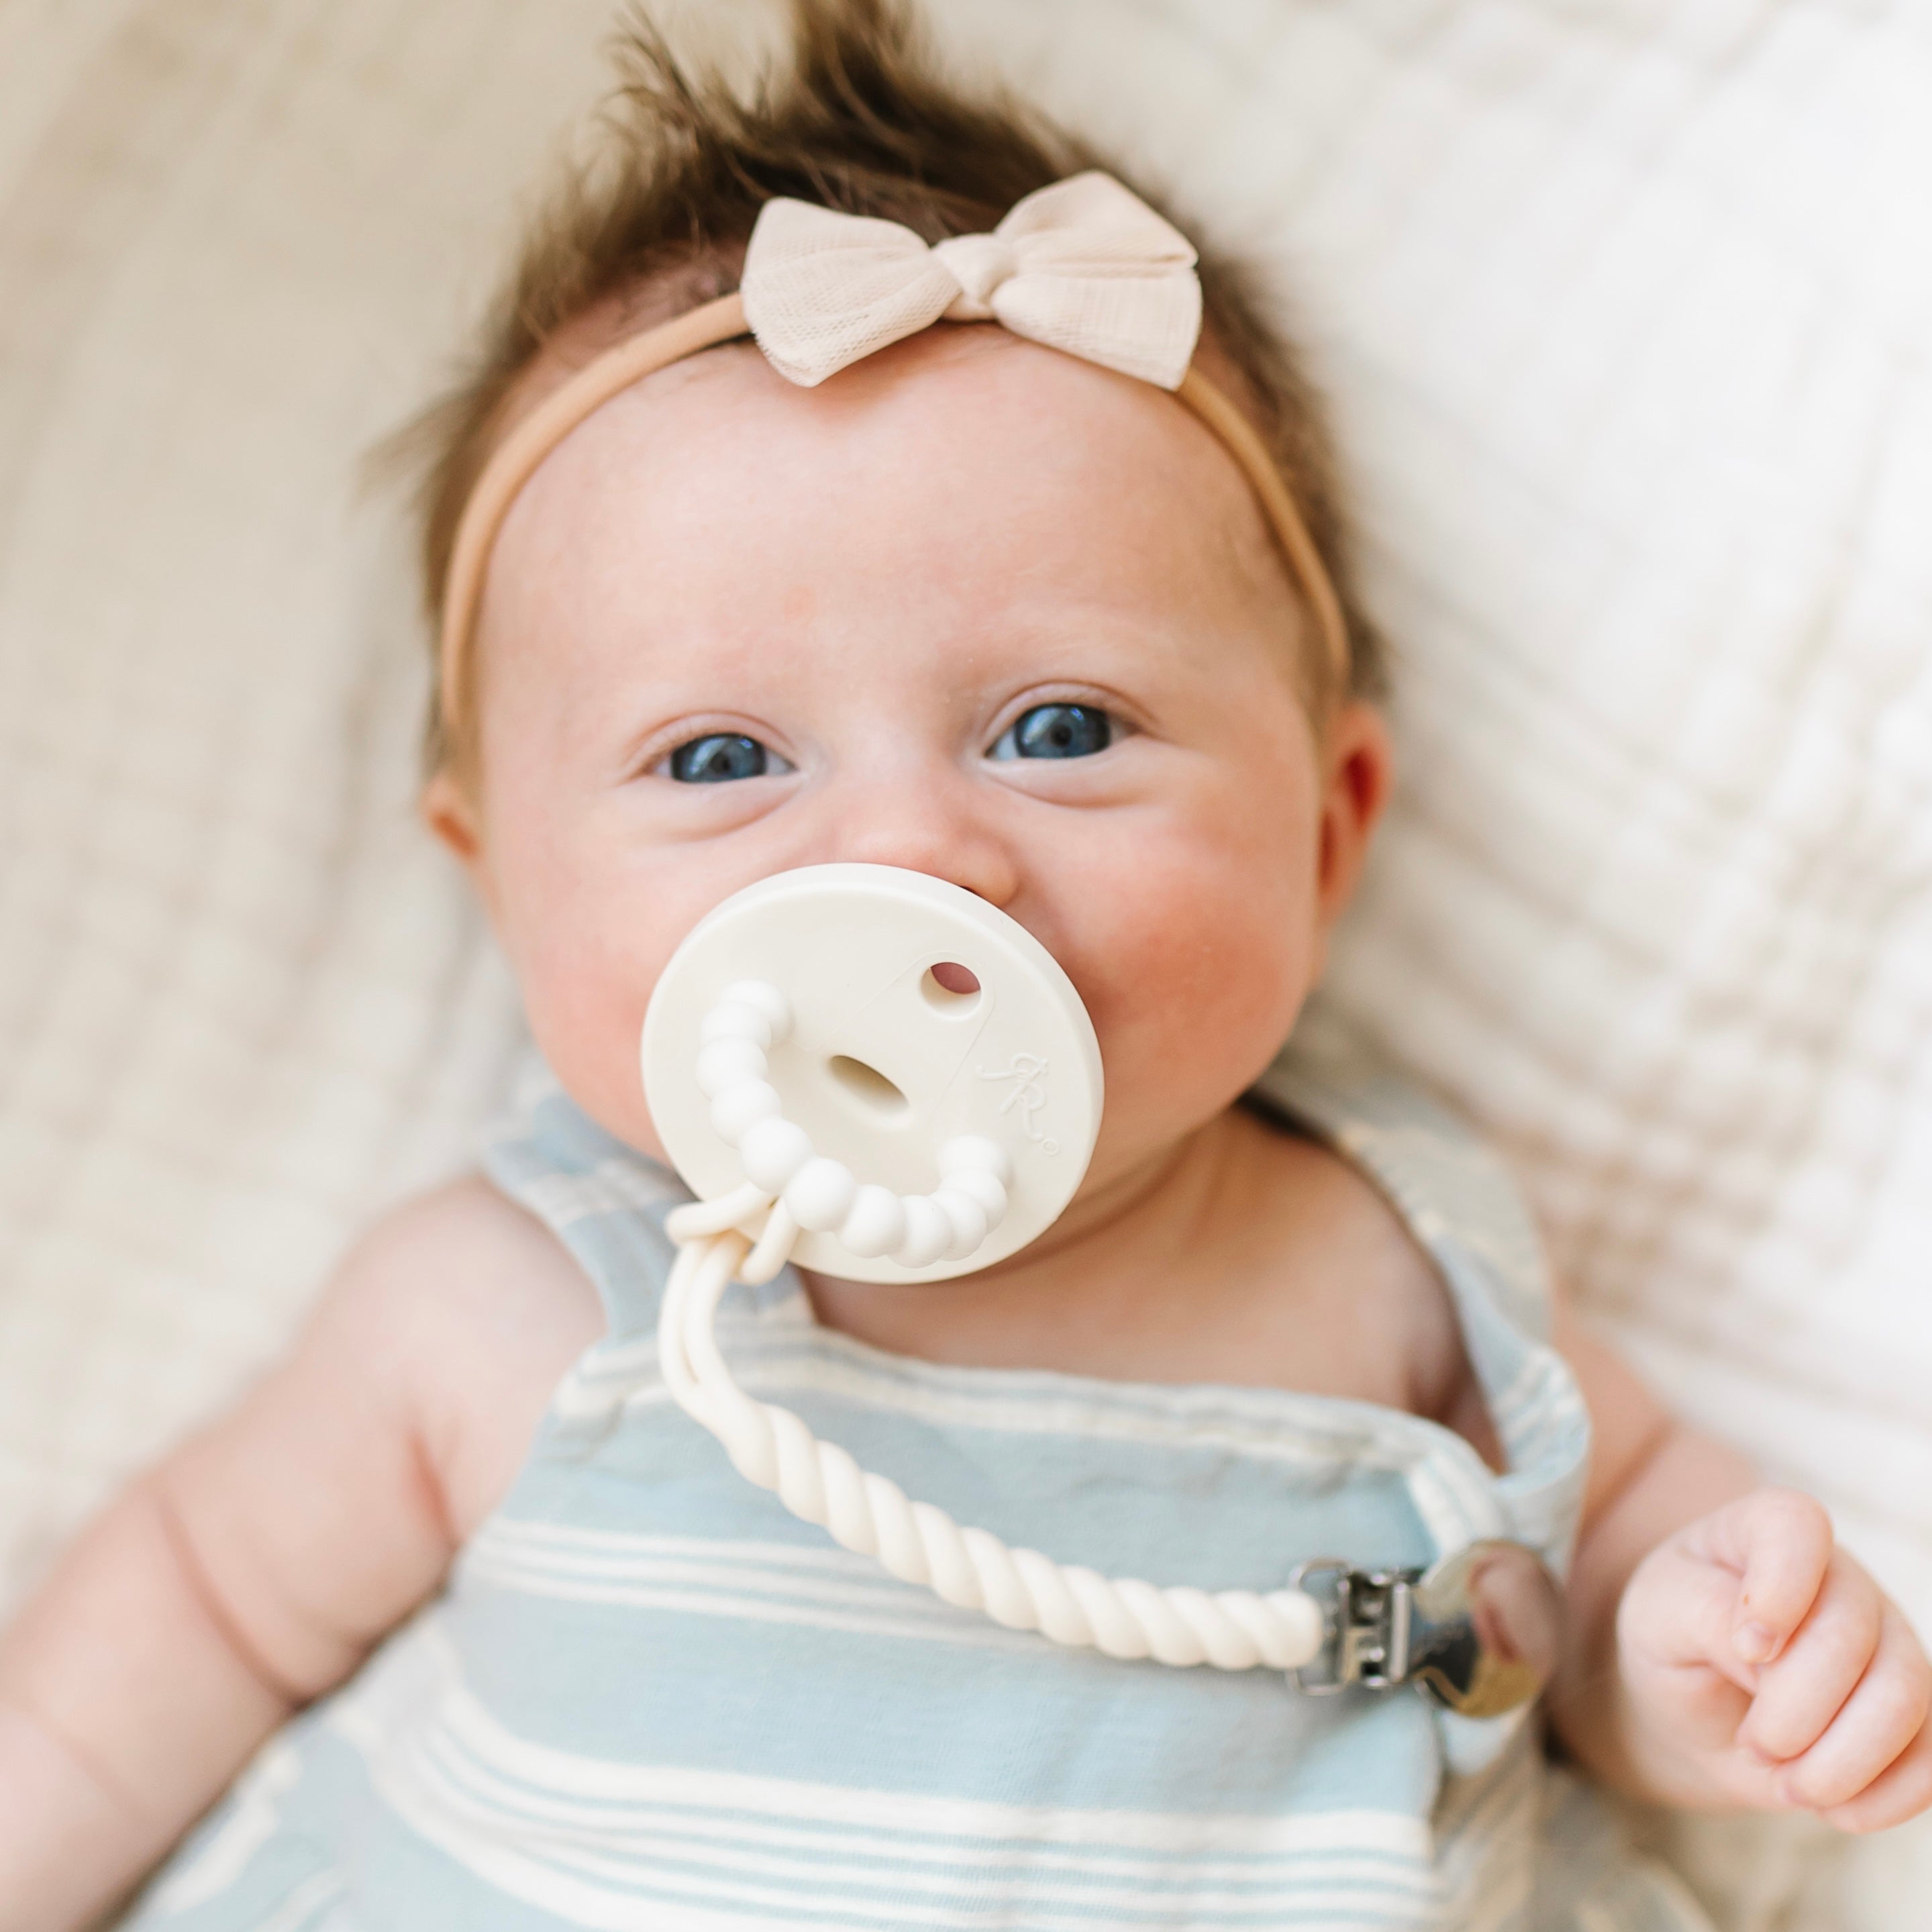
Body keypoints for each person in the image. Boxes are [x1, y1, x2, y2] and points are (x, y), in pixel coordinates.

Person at [2, 5, 1926, 1927]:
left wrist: (1714, 1662)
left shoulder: (1393, 1276)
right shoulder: (507, 1307)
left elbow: (1543, 1633)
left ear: (1328, 827)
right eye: (724, 760)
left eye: (1063, 728)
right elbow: (185, 1614)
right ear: (497, 883)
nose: (914, 854)